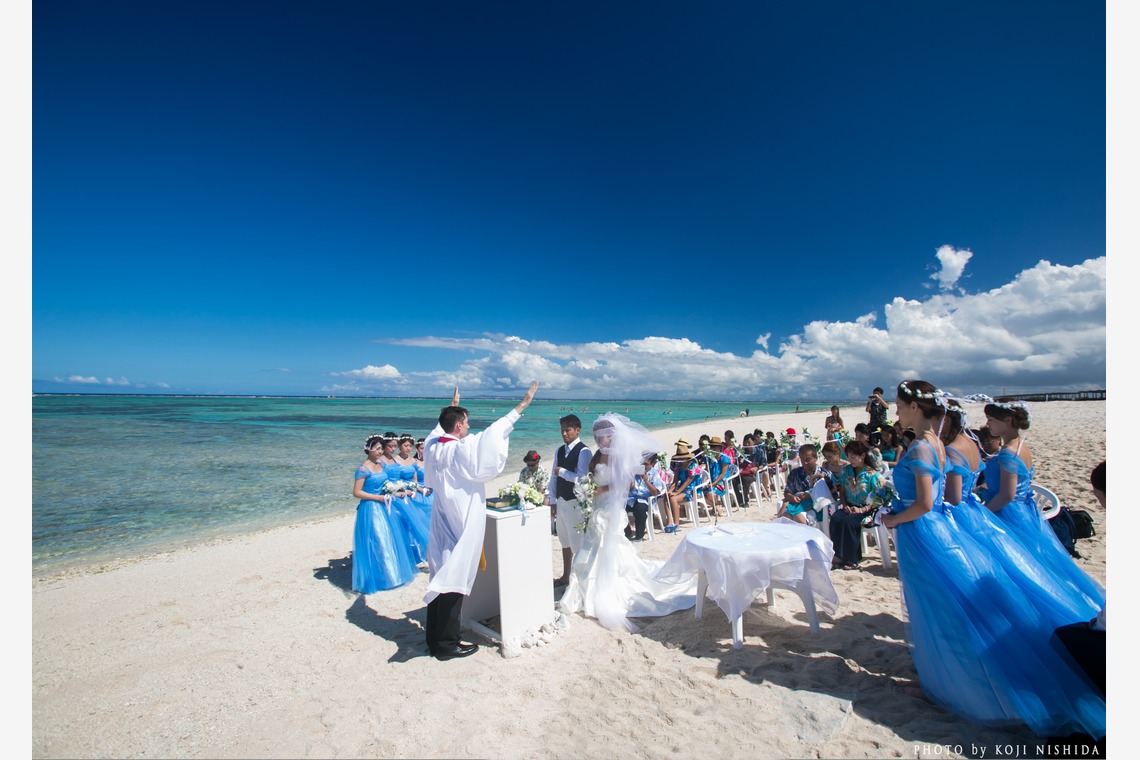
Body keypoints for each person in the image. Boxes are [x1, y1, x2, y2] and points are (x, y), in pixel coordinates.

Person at [880, 380, 1104, 739]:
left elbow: (924, 504)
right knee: (940, 610)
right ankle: (940, 683)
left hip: (923, 531)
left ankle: (947, 689)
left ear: (917, 408)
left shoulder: (924, 447)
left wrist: (891, 519)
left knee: (937, 611)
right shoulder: (936, 443)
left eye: (900, 405)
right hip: (933, 528)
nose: (896, 411)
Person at [422, 382, 538, 661]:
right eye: (466, 422)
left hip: (441, 518)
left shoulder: (432, 448)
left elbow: (436, 432)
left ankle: (434, 638)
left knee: (440, 576)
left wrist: (451, 408)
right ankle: (447, 645)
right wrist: (521, 406)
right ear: (459, 427)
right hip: (461, 521)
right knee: (454, 579)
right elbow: (492, 434)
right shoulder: (460, 451)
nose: (469, 427)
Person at [558, 415, 696, 631]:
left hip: (609, 508)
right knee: (592, 546)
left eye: (602, 436)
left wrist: (600, 490)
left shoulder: (618, 457)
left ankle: (603, 588)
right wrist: (587, 490)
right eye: (597, 436)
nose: (599, 439)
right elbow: (590, 478)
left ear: (611, 436)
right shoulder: (597, 455)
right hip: (596, 506)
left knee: (606, 545)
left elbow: (625, 484)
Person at [980, 400, 1105, 614]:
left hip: (1009, 514)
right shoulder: (1020, 446)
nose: (988, 424)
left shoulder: (1009, 452)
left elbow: (1007, 494)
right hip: (1025, 511)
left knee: (1015, 565)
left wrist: (983, 512)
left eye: (991, 420)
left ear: (1008, 420)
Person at [351, 434, 428, 595]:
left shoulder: (381, 464)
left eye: (381, 448)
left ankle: (393, 575)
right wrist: (378, 497)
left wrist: (398, 491)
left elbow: (389, 482)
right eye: (377, 449)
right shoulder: (363, 469)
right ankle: (380, 578)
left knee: (389, 538)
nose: (381, 452)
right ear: (369, 450)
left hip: (386, 503)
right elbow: (357, 492)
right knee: (378, 539)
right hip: (372, 507)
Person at [549, 414, 593, 588]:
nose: (564, 433)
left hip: (576, 502)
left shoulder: (584, 451)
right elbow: (553, 477)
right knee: (564, 541)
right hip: (561, 500)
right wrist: (552, 499)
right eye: (562, 430)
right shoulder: (559, 450)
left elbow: (582, 479)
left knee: (577, 543)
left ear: (577, 430)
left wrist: (562, 472)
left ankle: (578, 579)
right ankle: (566, 575)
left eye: (567, 430)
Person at [828, 440, 882, 569]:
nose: (850, 459)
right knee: (836, 518)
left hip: (867, 509)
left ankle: (852, 557)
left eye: (853, 456)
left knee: (849, 523)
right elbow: (842, 490)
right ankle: (839, 555)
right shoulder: (845, 470)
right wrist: (845, 504)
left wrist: (863, 509)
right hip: (850, 505)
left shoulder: (871, 474)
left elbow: (879, 496)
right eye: (848, 456)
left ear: (862, 456)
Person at [778, 444, 821, 525]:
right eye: (802, 459)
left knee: (798, 518)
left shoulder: (823, 473)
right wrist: (792, 497)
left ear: (816, 458)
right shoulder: (795, 473)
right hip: (796, 504)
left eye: (808, 459)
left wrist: (810, 496)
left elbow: (830, 495)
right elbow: (787, 492)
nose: (805, 463)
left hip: (816, 506)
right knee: (786, 518)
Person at [625, 453, 663, 541]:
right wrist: (631, 478)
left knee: (640, 509)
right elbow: (628, 489)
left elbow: (655, 492)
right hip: (631, 499)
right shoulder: (636, 472)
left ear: (652, 464)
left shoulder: (654, 474)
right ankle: (627, 532)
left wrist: (646, 481)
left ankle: (639, 536)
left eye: (646, 464)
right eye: (642, 464)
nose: (644, 466)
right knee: (619, 507)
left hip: (645, 500)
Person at [666, 438, 701, 533]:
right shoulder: (679, 465)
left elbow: (688, 481)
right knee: (666, 496)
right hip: (682, 488)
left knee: (673, 498)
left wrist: (677, 492)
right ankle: (670, 521)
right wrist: (670, 490)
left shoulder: (693, 465)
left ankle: (676, 524)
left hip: (692, 490)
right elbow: (675, 481)